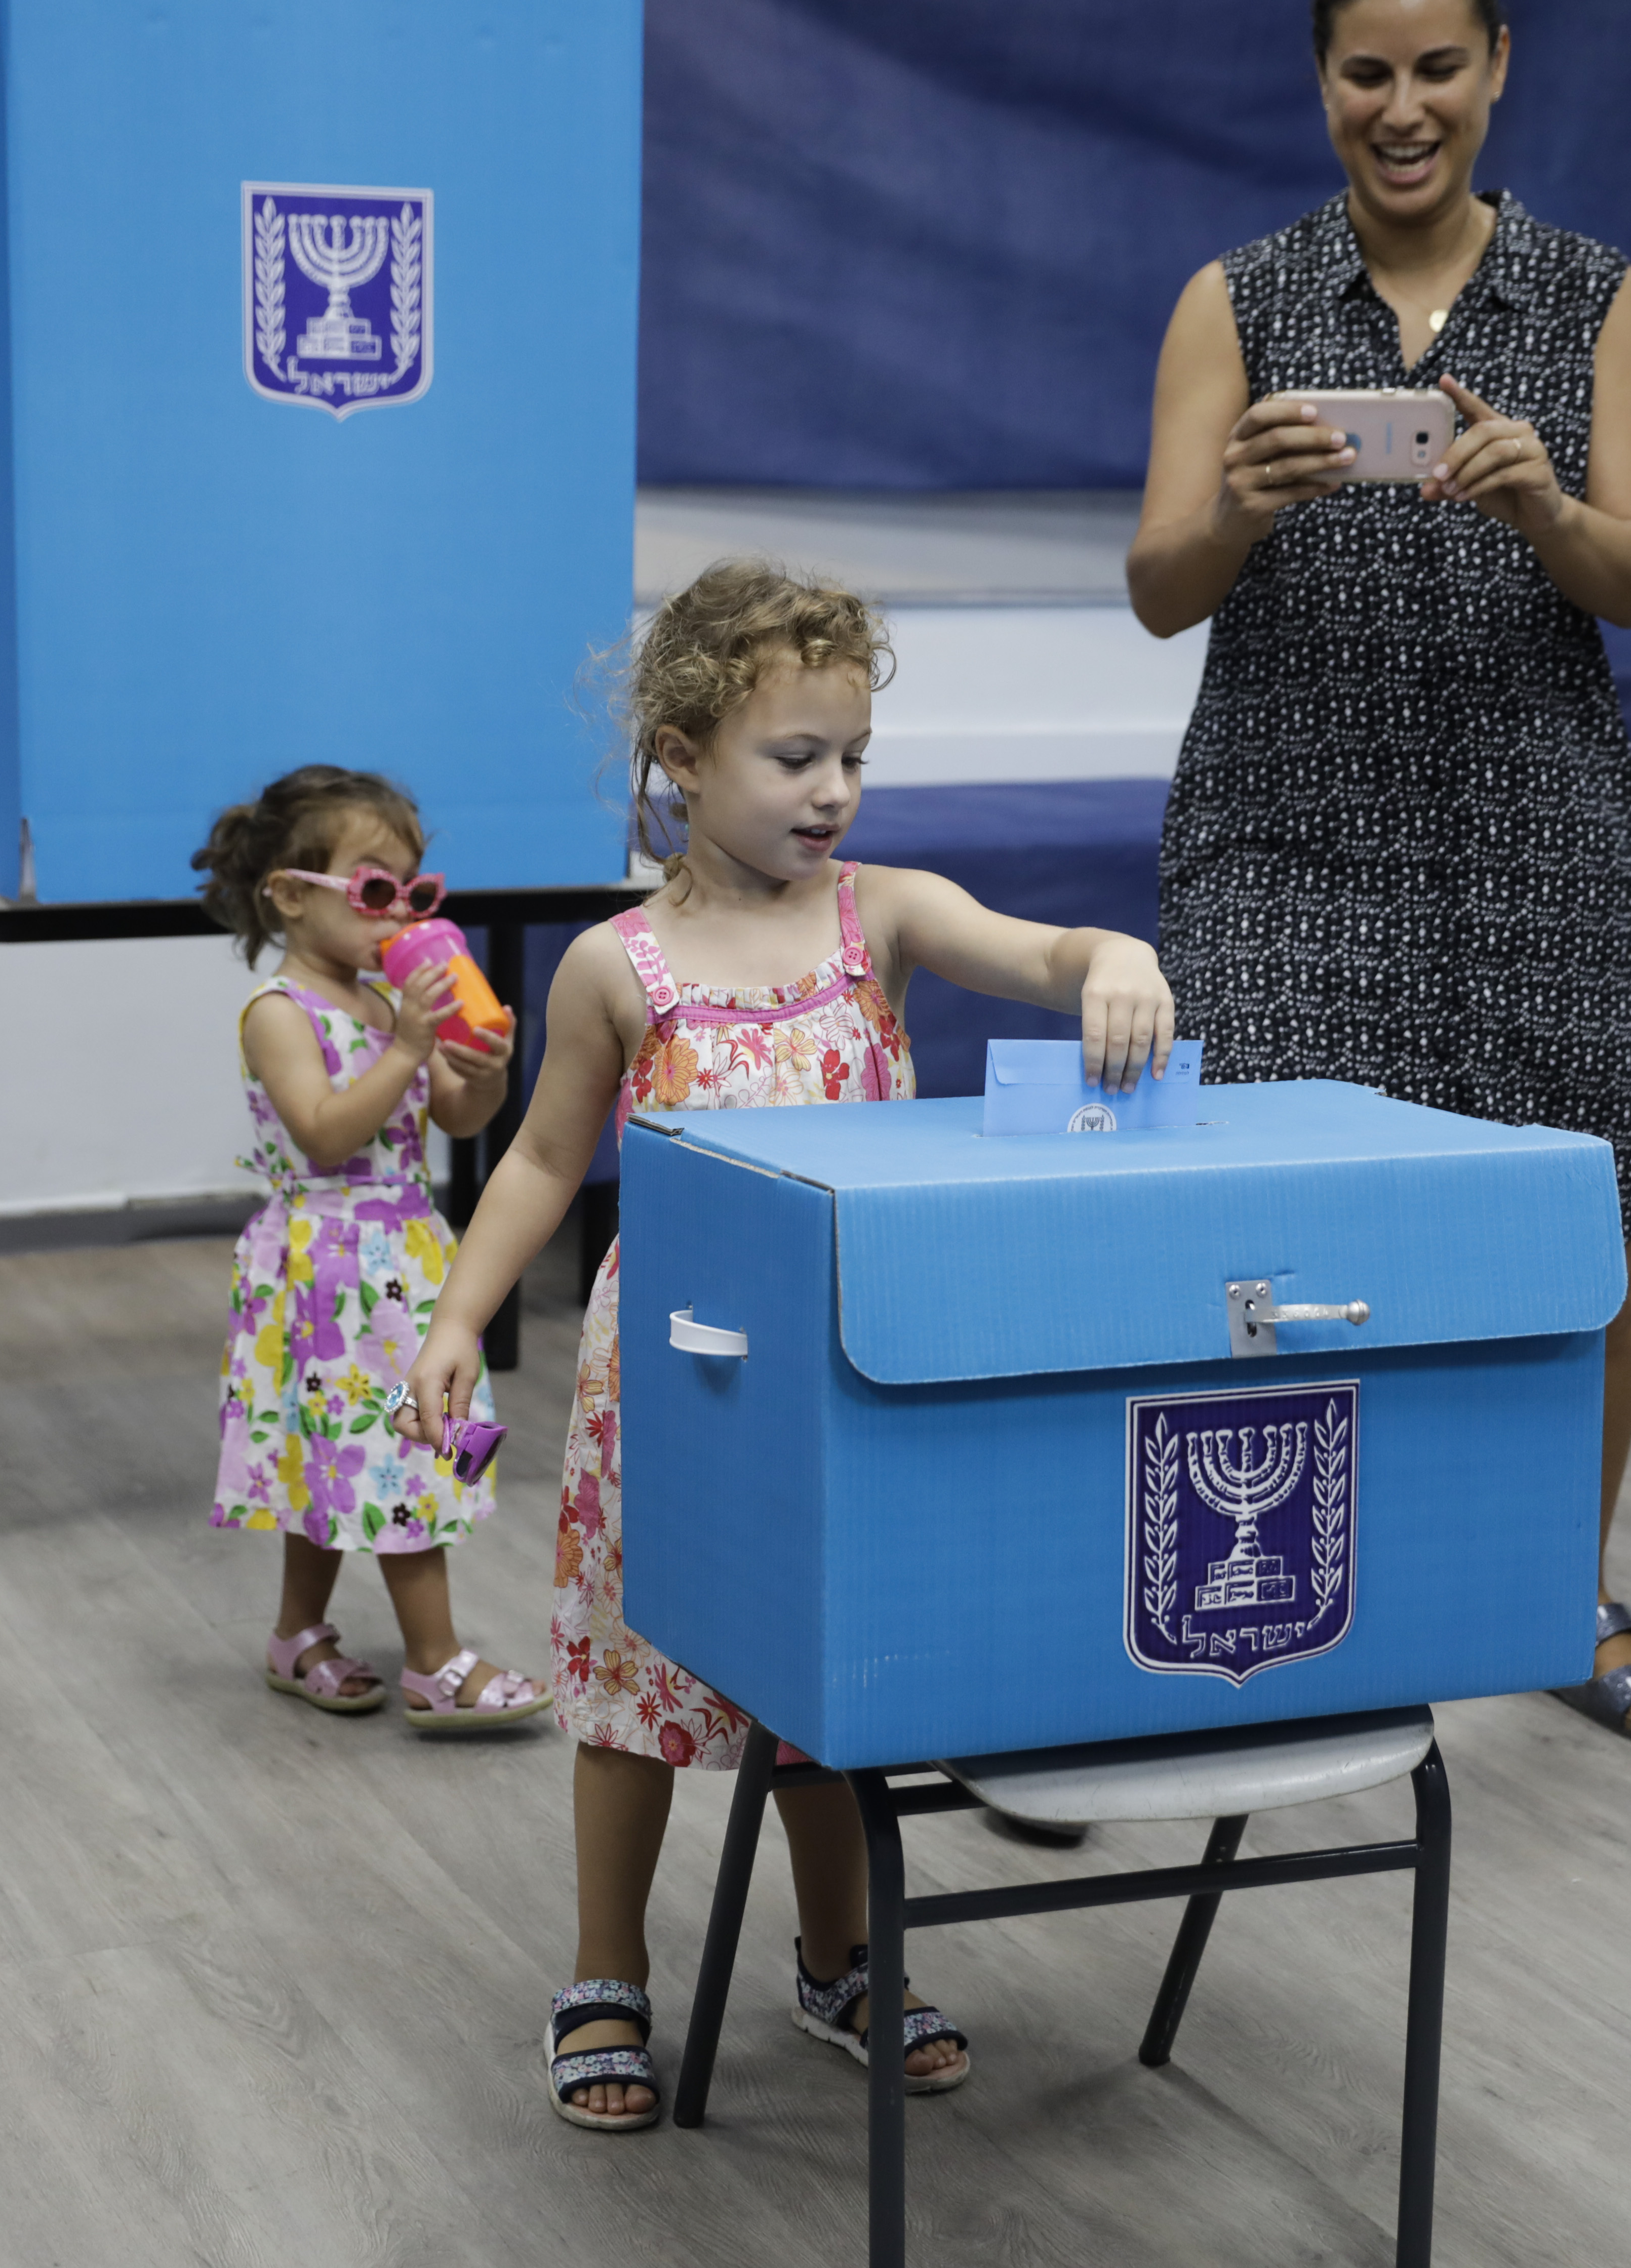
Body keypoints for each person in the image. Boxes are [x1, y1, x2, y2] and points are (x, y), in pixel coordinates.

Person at [393, 561, 1181, 2129]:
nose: (833, 792)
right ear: (682, 756)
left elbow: (1041, 953)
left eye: (852, 757)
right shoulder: (623, 964)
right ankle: (604, 1970)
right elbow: (546, 1161)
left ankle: (839, 1963)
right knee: (631, 1691)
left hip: (848, 1366)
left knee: (834, 1692)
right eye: (794, 757)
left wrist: (1116, 959)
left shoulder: (879, 915)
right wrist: (461, 1317)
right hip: (675, 1385)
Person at [1125, 0, 1631, 1742]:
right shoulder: (1236, 297)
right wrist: (1243, 502)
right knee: (1268, 1249)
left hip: (1543, 849)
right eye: (1365, 73)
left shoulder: (1595, 296)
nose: (1402, 107)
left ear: (1499, 65)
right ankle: (1254, 1603)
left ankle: (1561, 1600)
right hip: (1284, 845)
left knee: (1576, 1235)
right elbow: (1160, 584)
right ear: (1322, 83)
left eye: (1436, 68)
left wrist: (1541, 500)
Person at [194, 765, 552, 1732]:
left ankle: (294, 1634)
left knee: (341, 1456)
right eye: (376, 890)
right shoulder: (282, 1013)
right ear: (288, 894)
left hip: (405, 1260)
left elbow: (457, 1112)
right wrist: (405, 1045)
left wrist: (483, 1068)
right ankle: (435, 1663)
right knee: (394, 1455)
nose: (401, 915)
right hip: (326, 1272)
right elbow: (321, 1131)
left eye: (416, 892)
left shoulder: (388, 1004)